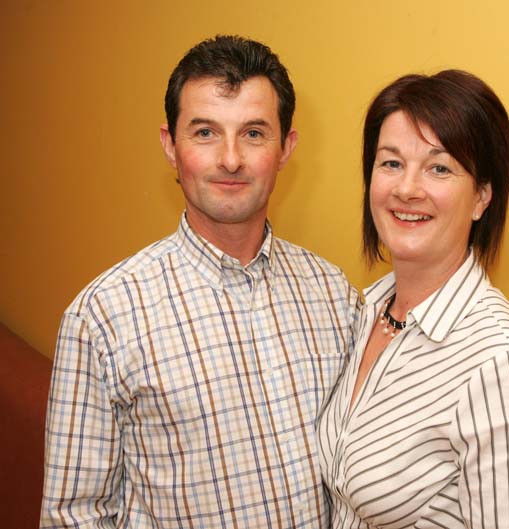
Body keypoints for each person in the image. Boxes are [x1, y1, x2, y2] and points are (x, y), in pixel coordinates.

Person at [40, 35, 359, 529]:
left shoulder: (334, 295)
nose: (230, 159)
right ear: (170, 146)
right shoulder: (102, 317)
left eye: (254, 133)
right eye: (205, 133)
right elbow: (74, 516)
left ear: (286, 148)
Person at [317, 70, 509, 529]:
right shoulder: (357, 312)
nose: (407, 188)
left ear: (482, 197)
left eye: (439, 168)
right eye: (390, 163)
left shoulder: (504, 364)